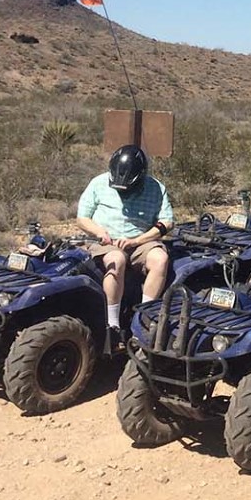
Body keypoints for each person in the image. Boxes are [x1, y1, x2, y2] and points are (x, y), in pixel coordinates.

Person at [76, 145, 174, 349]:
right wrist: (99, 232)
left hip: (140, 240)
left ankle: (143, 319)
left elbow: (167, 222)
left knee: (160, 259)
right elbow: (82, 218)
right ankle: (113, 325)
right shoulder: (98, 183)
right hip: (106, 242)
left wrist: (138, 240)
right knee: (117, 260)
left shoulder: (156, 188)